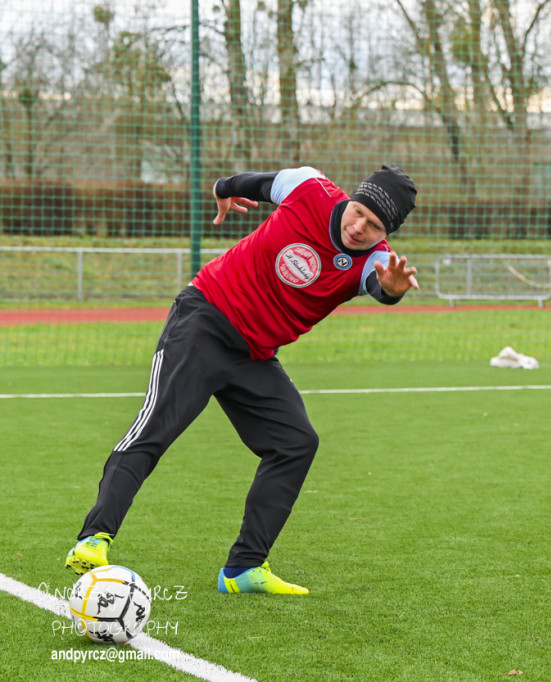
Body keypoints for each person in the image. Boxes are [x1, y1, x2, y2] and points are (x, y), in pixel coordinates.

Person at [65, 164, 419, 594]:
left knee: (295, 442)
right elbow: (251, 184)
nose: (360, 226)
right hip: (204, 322)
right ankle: (93, 539)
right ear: (353, 198)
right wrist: (222, 190)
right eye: (359, 212)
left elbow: (381, 286)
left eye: (375, 225)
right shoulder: (309, 189)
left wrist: (394, 292)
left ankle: (244, 570)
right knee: (155, 429)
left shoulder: (377, 260)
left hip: (253, 355)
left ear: (387, 233)